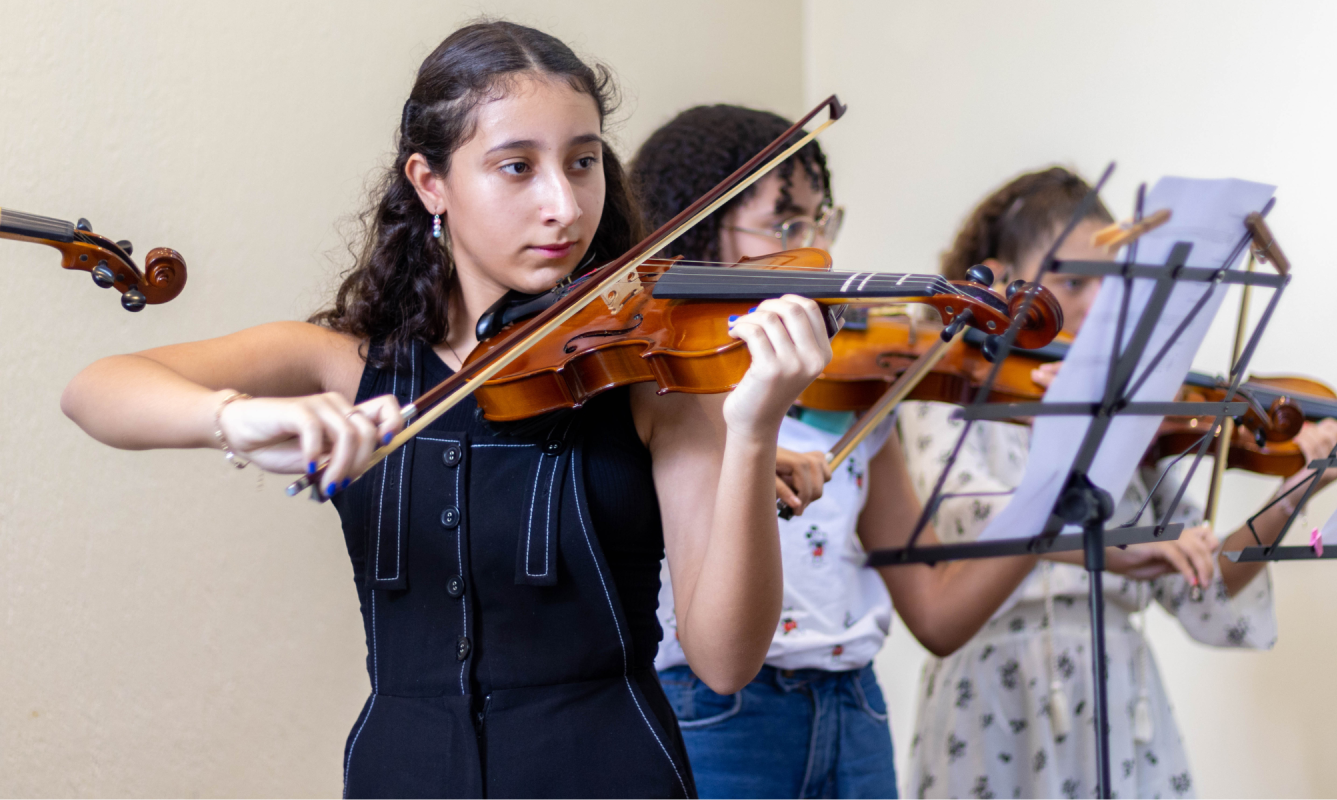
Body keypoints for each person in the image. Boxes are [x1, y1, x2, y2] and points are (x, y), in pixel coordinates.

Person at [59, 22, 837, 799]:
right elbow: (96, 389)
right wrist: (231, 419)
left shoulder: (647, 379)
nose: (563, 205)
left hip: (610, 772)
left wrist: (754, 426)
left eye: (583, 162)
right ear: (431, 182)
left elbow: (725, 660)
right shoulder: (341, 363)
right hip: (402, 774)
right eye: (516, 167)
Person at [631, 106, 1158, 799]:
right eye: (788, 225)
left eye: (823, 222)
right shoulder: (659, 391)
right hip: (718, 721)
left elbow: (939, 614)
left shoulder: (853, 388)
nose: (816, 251)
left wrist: (1055, 473)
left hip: (856, 713)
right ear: (695, 233)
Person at [898, 166, 1337, 799]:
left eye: (1106, 284)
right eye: (1072, 282)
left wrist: (1293, 493)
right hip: (999, 696)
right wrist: (1108, 512)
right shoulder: (945, 384)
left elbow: (1200, 579)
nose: (1090, 305)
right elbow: (969, 517)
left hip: (1119, 698)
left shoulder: (1131, 415)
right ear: (1001, 279)